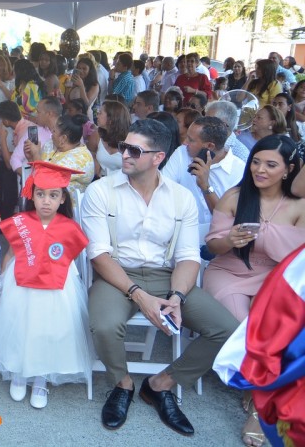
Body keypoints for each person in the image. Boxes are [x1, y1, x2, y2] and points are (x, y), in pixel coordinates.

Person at [81, 119, 239, 436]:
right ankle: (122, 383)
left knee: (227, 330)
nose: (124, 154)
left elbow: (188, 257)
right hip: (116, 275)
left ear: (158, 157)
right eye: (124, 147)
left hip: (167, 275)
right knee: (105, 325)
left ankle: (160, 384)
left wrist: (177, 297)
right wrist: (141, 297)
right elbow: (99, 255)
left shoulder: (180, 197)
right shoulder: (100, 190)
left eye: (134, 150)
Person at [204, 134, 303, 446]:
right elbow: (213, 246)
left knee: (278, 330)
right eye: (256, 162)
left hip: (274, 279)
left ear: (288, 170)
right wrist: (229, 240)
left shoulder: (299, 205)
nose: (260, 169)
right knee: (244, 330)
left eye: (271, 165)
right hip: (229, 272)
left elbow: (297, 259)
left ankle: (259, 407)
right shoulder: (235, 196)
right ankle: (259, 391)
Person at [0, 162, 90, 409]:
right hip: (21, 284)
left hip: (56, 286)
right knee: (20, 327)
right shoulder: (20, 222)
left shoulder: (69, 228)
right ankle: (19, 372)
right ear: (32, 195)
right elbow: (10, 254)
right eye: (40, 194)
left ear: (62, 199)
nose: (46, 201)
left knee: (49, 329)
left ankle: (40, 378)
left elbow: (70, 257)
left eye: (53, 195)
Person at [161, 116, 245, 247]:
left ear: (209, 146)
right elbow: (161, 189)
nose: (184, 142)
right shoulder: (181, 154)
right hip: (179, 236)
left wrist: (205, 186)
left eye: (191, 140)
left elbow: (229, 219)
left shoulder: (239, 170)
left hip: (218, 243)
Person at [25, 114, 95, 193]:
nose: (51, 133)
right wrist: (31, 157)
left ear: (63, 138)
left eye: (54, 131)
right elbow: (37, 169)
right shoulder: (51, 144)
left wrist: (36, 154)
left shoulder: (80, 159)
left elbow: (45, 180)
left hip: (63, 199)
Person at [87, 100, 130, 177]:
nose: (97, 116)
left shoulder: (130, 140)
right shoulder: (96, 134)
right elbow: (91, 155)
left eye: (100, 113)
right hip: (101, 180)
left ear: (111, 119)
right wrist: (97, 172)